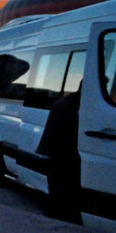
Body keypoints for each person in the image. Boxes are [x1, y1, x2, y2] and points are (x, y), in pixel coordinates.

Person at [36, 85, 82, 224]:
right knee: (64, 195)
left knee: (56, 192)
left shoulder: (64, 101)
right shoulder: (77, 105)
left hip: (50, 153)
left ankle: (52, 221)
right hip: (62, 155)